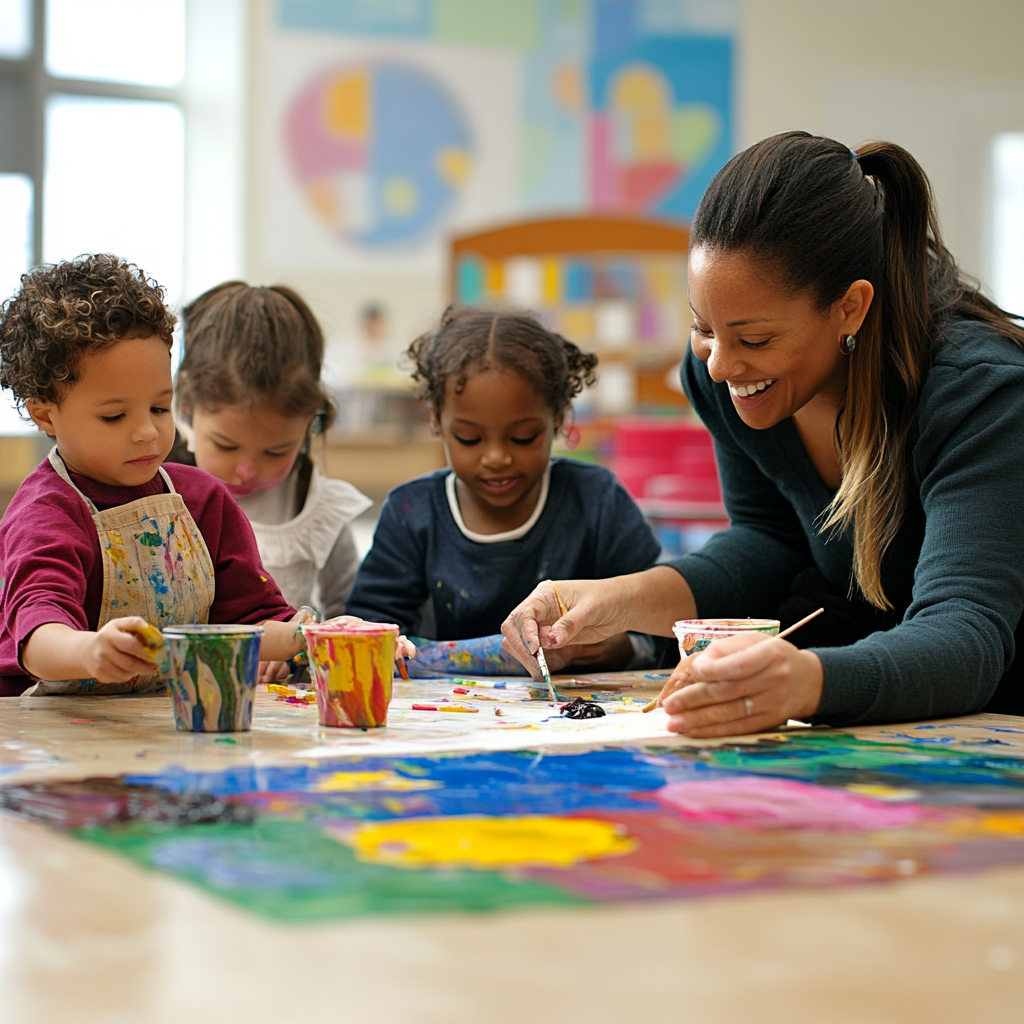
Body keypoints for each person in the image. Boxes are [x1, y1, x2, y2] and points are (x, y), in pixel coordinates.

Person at [502, 132, 1024, 734]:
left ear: (850, 308)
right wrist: (616, 602)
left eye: (754, 340)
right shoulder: (718, 378)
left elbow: (966, 634)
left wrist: (804, 682)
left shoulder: (978, 394)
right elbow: (770, 545)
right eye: (704, 328)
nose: (720, 366)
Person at [0, 256, 308, 695]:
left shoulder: (201, 499)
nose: (147, 431)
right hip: (57, 730)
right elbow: (37, 636)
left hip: (167, 720)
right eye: (114, 416)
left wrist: (310, 635)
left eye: (159, 408)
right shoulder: (46, 512)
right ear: (45, 414)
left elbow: (251, 621)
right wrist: (89, 652)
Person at [345, 306, 666, 672]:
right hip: (443, 720)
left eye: (522, 437)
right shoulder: (412, 512)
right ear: (436, 418)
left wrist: (622, 648)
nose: (496, 458)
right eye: (469, 438)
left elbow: (661, 621)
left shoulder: (596, 501)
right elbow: (366, 630)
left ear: (558, 417)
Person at [167, 282, 371, 619]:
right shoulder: (158, 493)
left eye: (276, 451)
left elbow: (350, 610)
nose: (246, 469)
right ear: (187, 405)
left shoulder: (316, 507)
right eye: (226, 445)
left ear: (310, 423)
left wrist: (305, 633)